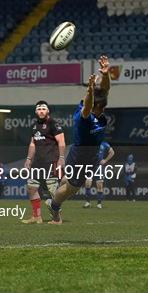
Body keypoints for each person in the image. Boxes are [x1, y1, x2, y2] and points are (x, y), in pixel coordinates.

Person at [45, 55, 111, 224]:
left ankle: (55, 194)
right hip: (82, 155)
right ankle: (54, 207)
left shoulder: (94, 109)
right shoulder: (86, 117)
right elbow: (89, 107)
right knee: (72, 189)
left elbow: (104, 91)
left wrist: (106, 74)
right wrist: (90, 89)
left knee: (68, 181)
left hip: (88, 153)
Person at [21, 101, 65, 224]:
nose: (41, 111)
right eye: (39, 109)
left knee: (53, 191)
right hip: (37, 163)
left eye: (43, 109)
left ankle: (57, 218)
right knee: (31, 188)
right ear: (36, 111)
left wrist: (61, 157)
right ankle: (36, 216)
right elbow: (32, 143)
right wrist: (29, 159)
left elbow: (61, 141)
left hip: (51, 161)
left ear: (48, 111)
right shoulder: (35, 126)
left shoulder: (53, 123)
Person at [83, 141, 114, 209]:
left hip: (98, 166)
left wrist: (105, 160)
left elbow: (112, 152)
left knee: (99, 184)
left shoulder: (104, 144)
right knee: (87, 183)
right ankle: (88, 202)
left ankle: (99, 203)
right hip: (90, 166)